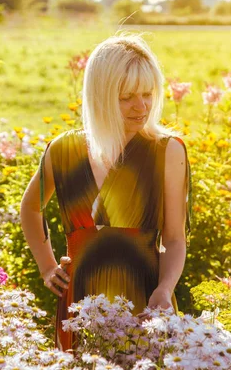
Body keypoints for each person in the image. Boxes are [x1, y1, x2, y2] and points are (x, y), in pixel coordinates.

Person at [19, 33, 192, 352]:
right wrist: (46, 267)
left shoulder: (167, 151)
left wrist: (165, 290)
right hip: (77, 306)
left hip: (145, 304)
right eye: (126, 97)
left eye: (147, 93)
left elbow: (174, 238)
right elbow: (30, 209)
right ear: (100, 95)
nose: (141, 107)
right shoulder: (63, 151)